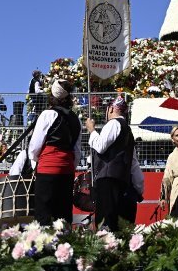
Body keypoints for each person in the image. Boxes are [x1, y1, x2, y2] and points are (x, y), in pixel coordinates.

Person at [28, 79, 81, 225]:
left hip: (48, 168)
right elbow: (77, 151)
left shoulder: (47, 115)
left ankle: (44, 246)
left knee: (43, 214)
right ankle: (64, 245)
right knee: (63, 215)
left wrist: (35, 163)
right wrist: (68, 165)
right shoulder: (76, 119)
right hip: (67, 169)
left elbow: (34, 146)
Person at [87, 96, 145, 230]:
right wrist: (139, 187)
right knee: (118, 226)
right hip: (122, 182)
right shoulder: (128, 132)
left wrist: (92, 130)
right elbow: (134, 163)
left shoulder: (113, 124)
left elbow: (100, 146)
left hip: (107, 181)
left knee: (106, 225)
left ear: (111, 108)